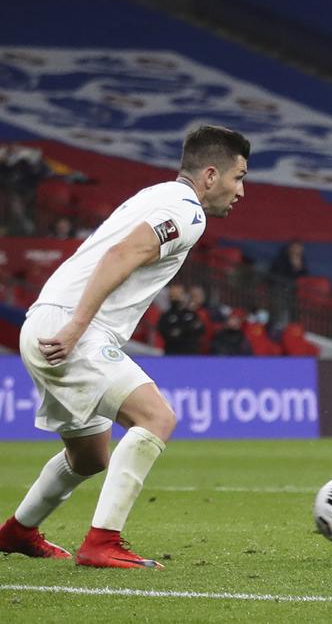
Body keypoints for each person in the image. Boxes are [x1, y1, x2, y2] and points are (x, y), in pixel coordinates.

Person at [0, 125, 249, 569]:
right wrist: (78, 326)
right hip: (72, 328)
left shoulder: (157, 194)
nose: (241, 191)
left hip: (47, 321)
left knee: (89, 456)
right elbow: (122, 255)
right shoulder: (189, 212)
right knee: (157, 417)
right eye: (238, 177)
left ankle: (17, 532)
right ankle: (102, 542)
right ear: (211, 175)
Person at [157, 283, 204, 355]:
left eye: (178, 295)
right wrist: (187, 329)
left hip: (191, 352)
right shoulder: (166, 315)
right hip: (172, 352)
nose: (176, 298)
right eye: (173, 296)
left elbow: (199, 329)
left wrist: (181, 331)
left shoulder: (192, 314)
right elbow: (166, 333)